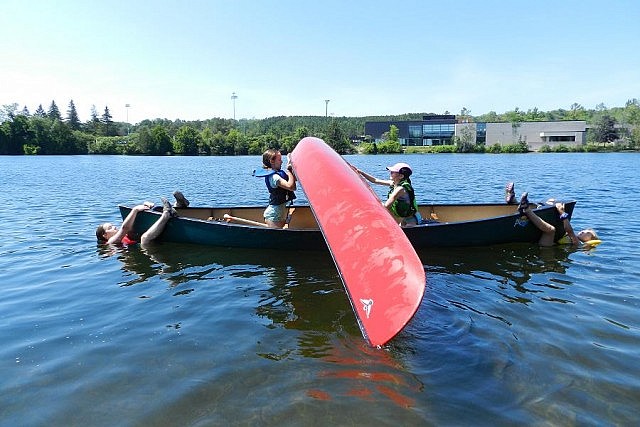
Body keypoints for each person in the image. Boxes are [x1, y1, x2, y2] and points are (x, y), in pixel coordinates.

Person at [516, 192, 599, 247]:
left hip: (547, 248)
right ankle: (514, 201)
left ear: (590, 240)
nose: (584, 231)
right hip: (549, 241)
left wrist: (562, 212)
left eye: (588, 233)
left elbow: (569, 230)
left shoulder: (577, 243)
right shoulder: (567, 236)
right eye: (585, 230)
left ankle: (526, 209)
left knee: (551, 230)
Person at [353, 162, 422, 226]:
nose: (390, 173)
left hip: (412, 219)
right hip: (403, 217)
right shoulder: (394, 184)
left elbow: (386, 207)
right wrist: (361, 172)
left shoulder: (400, 189)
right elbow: (375, 180)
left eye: (393, 172)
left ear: (401, 176)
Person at [96, 197, 176, 246]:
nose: (114, 227)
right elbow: (125, 228)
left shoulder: (126, 236)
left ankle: (178, 205)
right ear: (105, 235)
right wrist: (135, 210)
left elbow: (131, 225)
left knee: (154, 211)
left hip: (142, 244)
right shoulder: (110, 242)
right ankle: (166, 214)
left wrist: (146, 206)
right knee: (144, 238)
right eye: (110, 227)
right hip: (145, 249)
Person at [260, 148, 297, 228]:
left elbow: (293, 180)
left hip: (278, 214)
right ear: (272, 161)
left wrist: (291, 164)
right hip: (274, 216)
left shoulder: (278, 174)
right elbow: (291, 187)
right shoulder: (274, 177)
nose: (282, 162)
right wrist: (289, 170)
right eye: (279, 160)